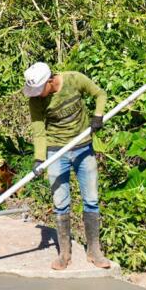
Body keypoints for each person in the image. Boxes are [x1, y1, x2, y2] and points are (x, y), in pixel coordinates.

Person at [22, 62, 112, 271]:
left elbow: (100, 94)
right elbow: (38, 130)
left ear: (51, 81)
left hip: (83, 148)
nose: (37, 95)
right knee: (60, 203)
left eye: (39, 90)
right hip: (56, 151)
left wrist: (97, 116)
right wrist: (39, 158)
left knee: (91, 200)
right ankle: (64, 253)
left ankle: (94, 251)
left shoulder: (74, 79)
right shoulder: (36, 100)